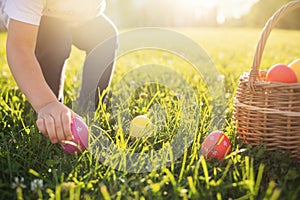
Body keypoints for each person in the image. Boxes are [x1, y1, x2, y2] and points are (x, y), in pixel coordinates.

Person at [1, 0, 118, 144]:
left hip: (78, 17)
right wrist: (46, 103)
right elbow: (20, 48)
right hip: (37, 18)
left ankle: (88, 108)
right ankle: (51, 115)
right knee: (56, 40)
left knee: (105, 36)